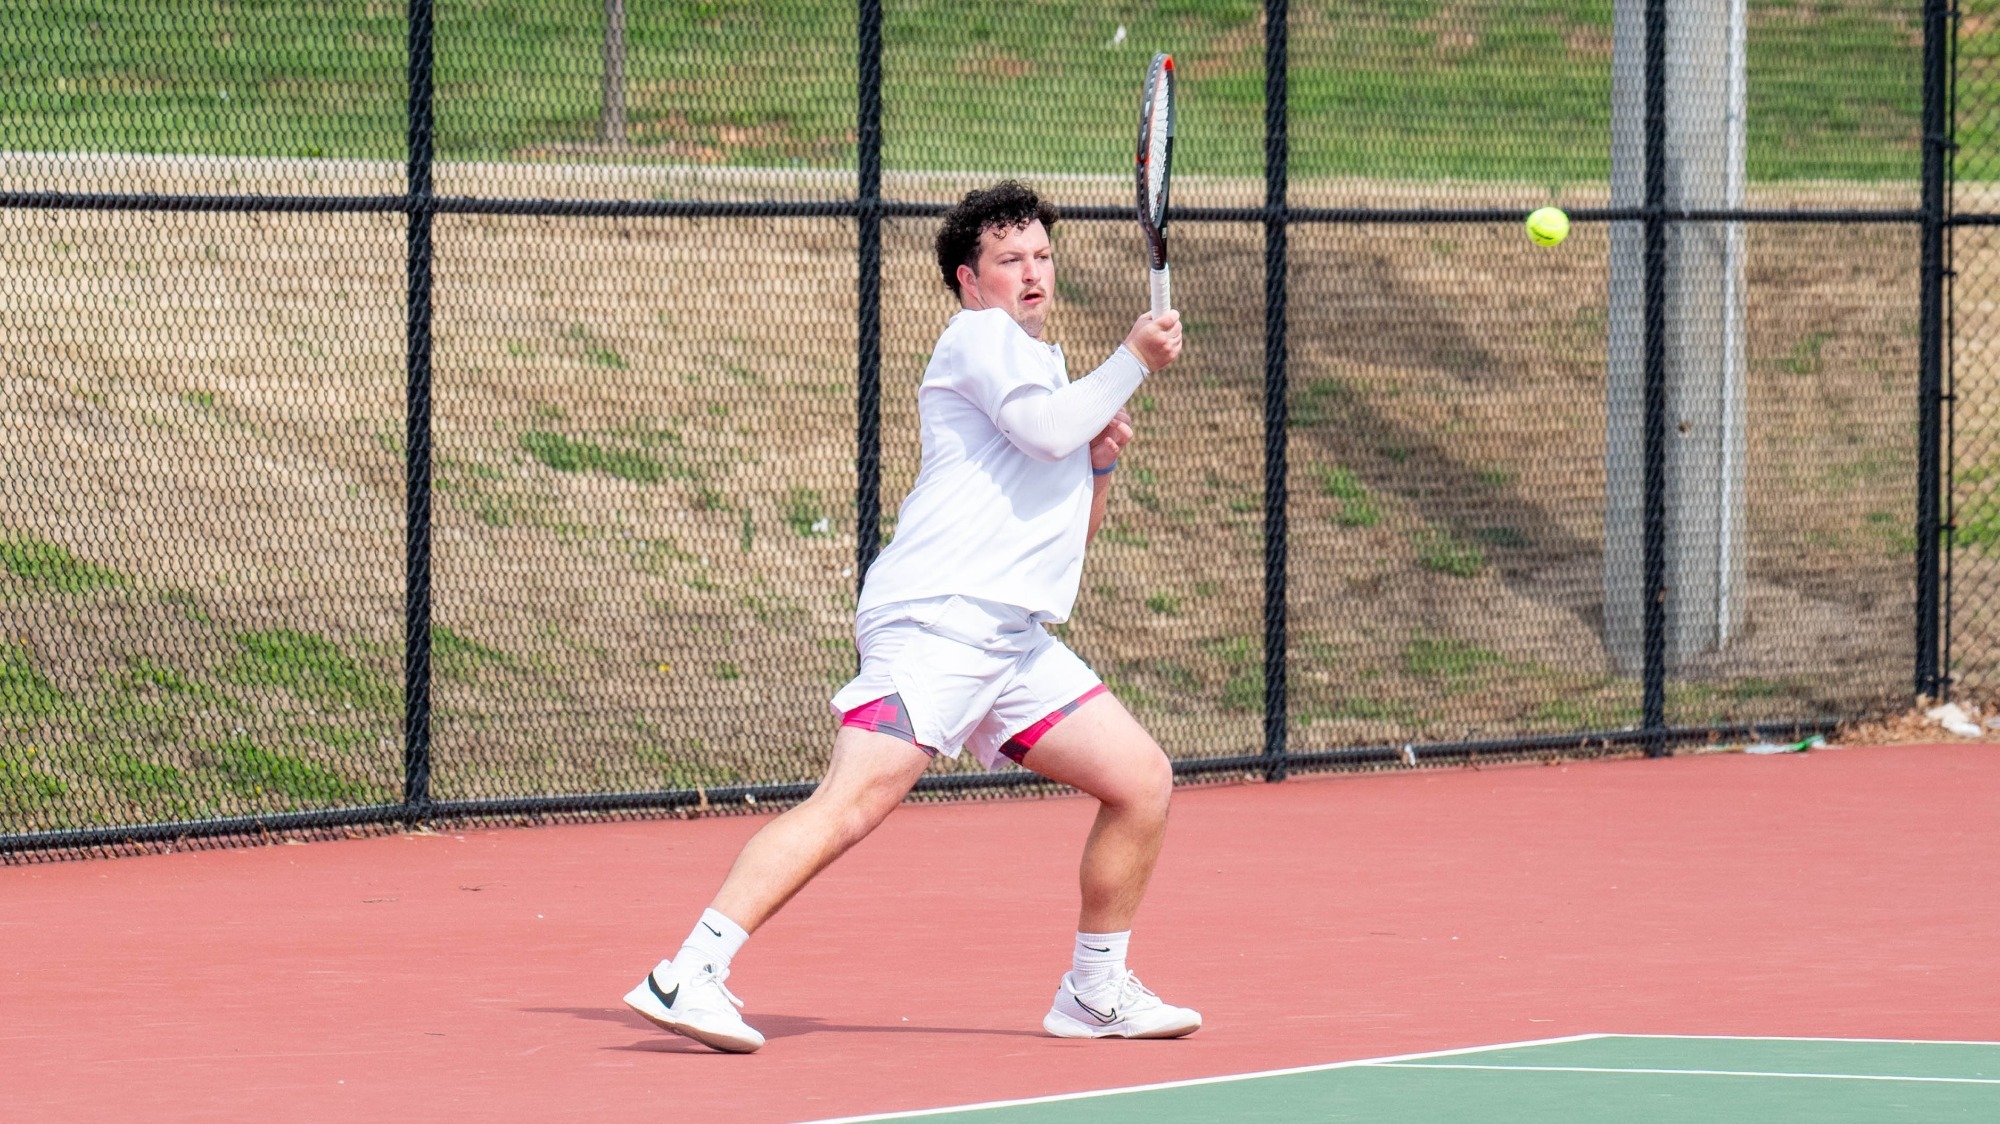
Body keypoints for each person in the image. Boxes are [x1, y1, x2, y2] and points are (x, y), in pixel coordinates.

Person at [623, 180, 1193, 1053]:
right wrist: (1132, 360)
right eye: (1010, 260)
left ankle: (1094, 991)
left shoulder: (1047, 373)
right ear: (970, 280)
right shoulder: (979, 339)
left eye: (1042, 255)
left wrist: (1102, 467)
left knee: (1140, 782)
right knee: (852, 803)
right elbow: (1044, 434)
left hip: (1010, 639)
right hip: (936, 619)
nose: (1032, 272)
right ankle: (689, 971)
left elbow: (1063, 536)